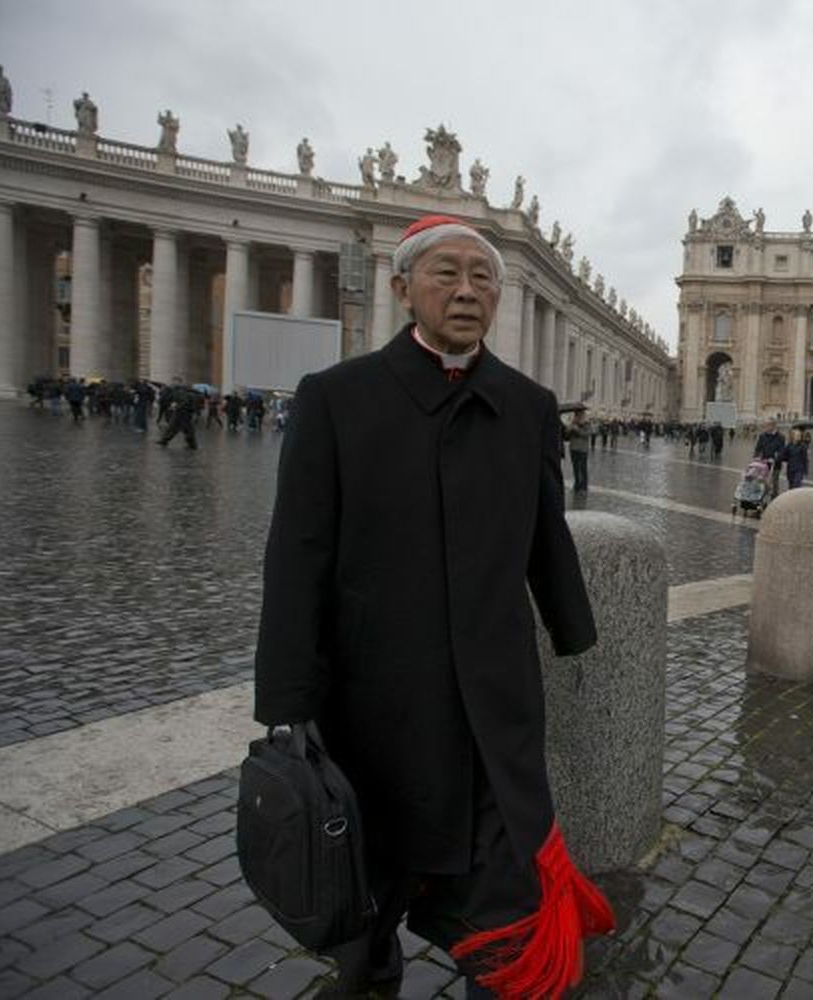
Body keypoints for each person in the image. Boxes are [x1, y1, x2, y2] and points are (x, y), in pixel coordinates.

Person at [254, 214, 612, 999]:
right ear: (402, 287)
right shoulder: (335, 398)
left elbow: (545, 533)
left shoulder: (527, 405)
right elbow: (298, 555)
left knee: (508, 886)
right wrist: (287, 700)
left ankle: (505, 970)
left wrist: (572, 632)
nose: (466, 292)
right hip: (372, 699)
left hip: (493, 702)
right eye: (446, 274)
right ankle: (370, 962)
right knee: (371, 872)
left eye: (483, 278)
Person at [156, 379, 199, 449]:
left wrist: (176, 406)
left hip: (183, 412)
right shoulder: (181, 391)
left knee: (182, 428)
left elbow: (185, 402)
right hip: (183, 412)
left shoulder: (179, 392)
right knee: (175, 427)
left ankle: (192, 445)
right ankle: (164, 440)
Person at [753, 420, 785, 495]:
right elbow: (758, 448)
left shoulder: (781, 437)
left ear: (773, 426)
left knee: (774, 480)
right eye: (766, 425)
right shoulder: (762, 436)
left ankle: (774, 495)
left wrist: (776, 458)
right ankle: (763, 492)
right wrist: (756, 456)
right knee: (762, 479)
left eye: (767, 425)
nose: (766, 427)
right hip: (764, 463)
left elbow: (781, 450)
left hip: (775, 463)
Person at [566, 410, 590, 492]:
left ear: (583, 416)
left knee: (583, 468)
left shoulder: (587, 424)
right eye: (576, 415)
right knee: (575, 468)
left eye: (580, 415)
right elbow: (567, 437)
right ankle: (577, 485)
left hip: (583, 450)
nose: (578, 417)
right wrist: (568, 430)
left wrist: (577, 430)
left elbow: (586, 434)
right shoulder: (572, 424)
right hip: (573, 448)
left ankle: (584, 487)